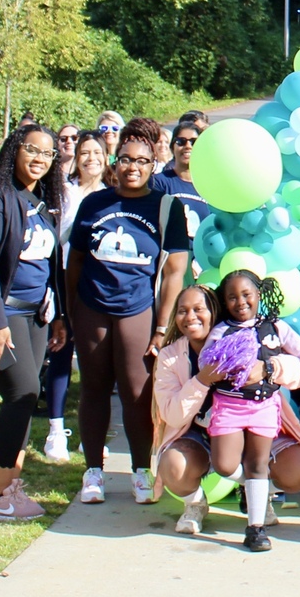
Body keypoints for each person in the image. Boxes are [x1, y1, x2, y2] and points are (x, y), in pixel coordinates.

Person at [66, 121, 190, 505]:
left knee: (138, 393)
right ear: (114, 162)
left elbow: (175, 272)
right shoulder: (94, 203)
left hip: (137, 309)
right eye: (125, 160)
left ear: (153, 165)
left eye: (141, 161)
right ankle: (93, 472)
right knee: (94, 388)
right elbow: (75, 262)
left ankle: (140, 470)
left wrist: (162, 327)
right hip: (92, 307)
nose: (132, 167)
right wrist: (70, 313)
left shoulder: (167, 207)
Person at [154, 286, 300, 534]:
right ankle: (195, 504)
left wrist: (267, 368)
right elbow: (171, 415)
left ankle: (256, 492)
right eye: (182, 311)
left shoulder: (246, 336)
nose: (190, 317)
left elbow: (298, 372)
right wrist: (202, 380)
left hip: (257, 428)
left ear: (214, 312)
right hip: (202, 434)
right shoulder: (170, 356)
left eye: (198, 309)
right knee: (174, 466)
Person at [0, 125, 68, 521]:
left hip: (34, 314)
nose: (40, 158)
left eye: (48, 153)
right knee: (21, 391)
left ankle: (11, 488)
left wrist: (58, 315)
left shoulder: (41, 200)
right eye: (31, 149)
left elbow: (51, 263)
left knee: (23, 397)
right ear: (14, 150)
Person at [202, 270, 300, 551]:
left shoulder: (276, 327)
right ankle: (253, 488)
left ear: (259, 294)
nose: (240, 302)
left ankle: (255, 528)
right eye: (232, 297)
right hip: (229, 406)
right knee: (225, 465)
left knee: (257, 465)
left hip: (263, 406)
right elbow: (205, 365)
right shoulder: (221, 331)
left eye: (247, 294)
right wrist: (229, 363)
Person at [42, 130, 111, 461]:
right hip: (64, 280)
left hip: (99, 286)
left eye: (97, 152)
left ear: (106, 157)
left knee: (95, 361)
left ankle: (90, 433)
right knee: (60, 351)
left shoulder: (113, 194)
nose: (91, 158)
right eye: (85, 152)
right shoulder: (64, 193)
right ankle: (55, 431)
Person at [151, 119, 210, 332]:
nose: (187, 146)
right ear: (172, 146)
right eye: (181, 141)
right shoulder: (160, 182)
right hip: (170, 260)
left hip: (203, 262)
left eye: (193, 141)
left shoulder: (210, 185)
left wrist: (201, 262)